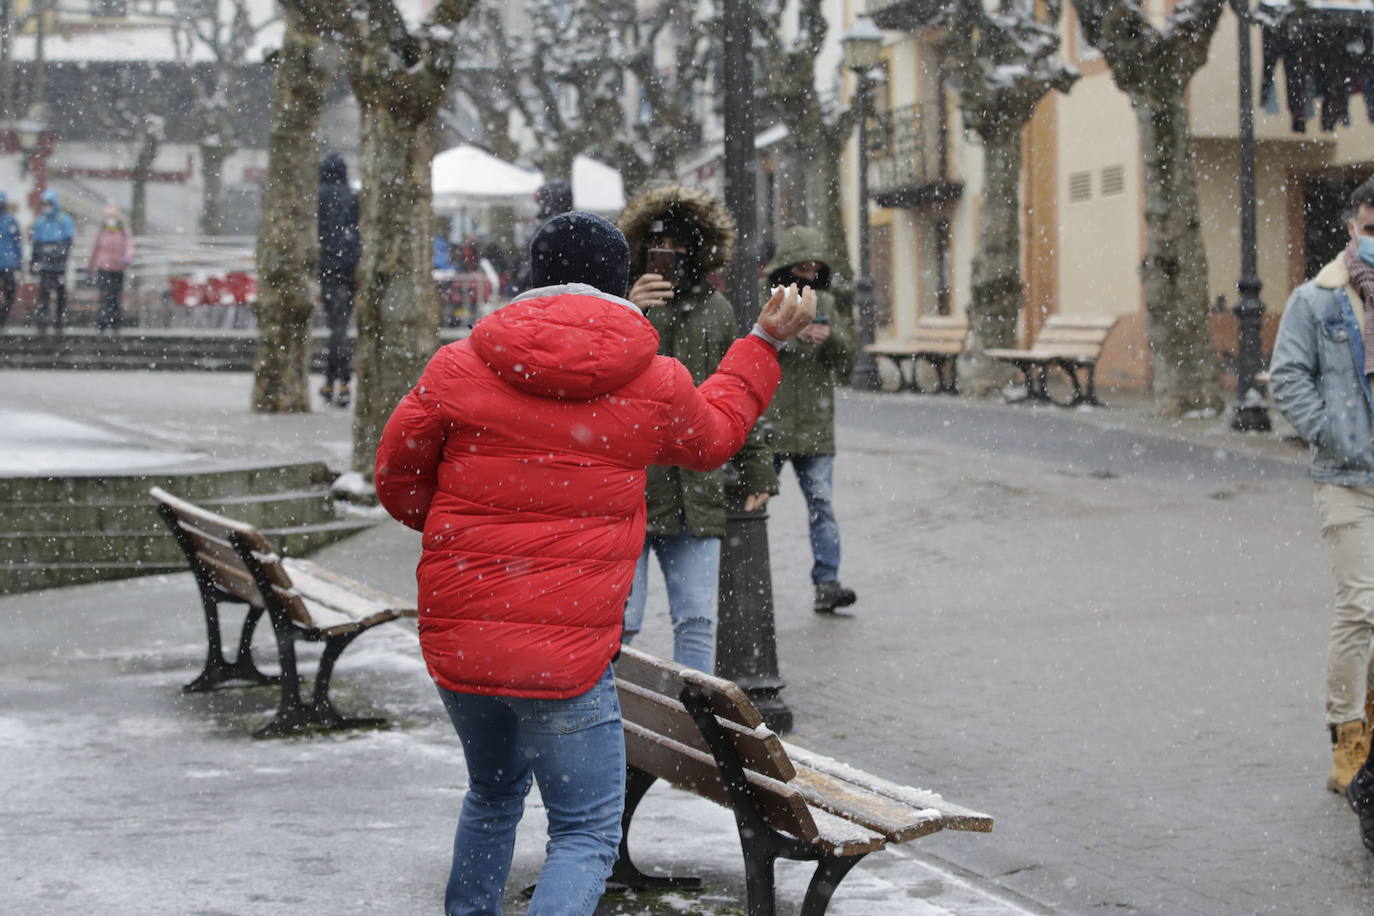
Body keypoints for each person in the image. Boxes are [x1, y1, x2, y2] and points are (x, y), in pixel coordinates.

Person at [374, 210, 814, 916]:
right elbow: (713, 439)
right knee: (583, 831)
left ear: (531, 276)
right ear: (619, 281)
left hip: (465, 635)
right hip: (567, 655)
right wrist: (762, 343)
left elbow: (397, 477)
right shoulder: (652, 381)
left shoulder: (458, 365)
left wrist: (471, 537)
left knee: (491, 793)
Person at [619, 184, 777, 673]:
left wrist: (757, 468)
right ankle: (608, 716)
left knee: (697, 620)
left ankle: (696, 714)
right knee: (620, 623)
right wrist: (630, 311)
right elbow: (598, 375)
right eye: (660, 245)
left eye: (680, 245)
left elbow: (737, 389)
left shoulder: (717, 310)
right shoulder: (618, 305)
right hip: (628, 491)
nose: (670, 255)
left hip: (695, 489)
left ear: (697, 250)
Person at [1271, 177, 1374, 811]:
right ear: (1353, 227)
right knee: (1362, 606)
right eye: (1371, 226)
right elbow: (1288, 377)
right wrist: (1335, 433)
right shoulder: (1318, 299)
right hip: (1347, 478)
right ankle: (1348, 737)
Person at [759, 226, 859, 614]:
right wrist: (787, 334)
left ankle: (827, 582)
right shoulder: (765, 299)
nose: (809, 274)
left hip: (815, 428)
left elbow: (847, 360)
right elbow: (751, 349)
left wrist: (828, 337)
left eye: (815, 268)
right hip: (772, 424)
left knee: (822, 505)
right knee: (753, 504)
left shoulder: (827, 302)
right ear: (786, 266)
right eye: (801, 268)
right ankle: (749, 580)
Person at [317, 153, 361, 407]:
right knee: (341, 327)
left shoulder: (317, 197)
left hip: (327, 268)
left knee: (337, 327)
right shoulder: (353, 196)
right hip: (350, 268)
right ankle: (339, 382)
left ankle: (336, 381)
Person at [29, 189, 75, 334]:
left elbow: (68, 241)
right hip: (45, 262)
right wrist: (34, 261)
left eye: (49, 203)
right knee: (44, 290)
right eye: (45, 204)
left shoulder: (64, 220)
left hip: (59, 263)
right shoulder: (41, 221)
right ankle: (43, 316)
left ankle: (60, 317)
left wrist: (59, 254)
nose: (47, 207)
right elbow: (36, 243)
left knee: (60, 291)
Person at [87, 205, 134, 333]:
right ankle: (103, 320)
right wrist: (90, 266)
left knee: (115, 295)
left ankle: (114, 321)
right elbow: (95, 249)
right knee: (104, 295)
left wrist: (127, 257)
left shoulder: (122, 232)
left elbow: (129, 246)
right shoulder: (102, 232)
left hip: (118, 268)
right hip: (103, 268)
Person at [0, 191, 22, 326]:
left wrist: (18, 260)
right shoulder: (11, 220)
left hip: (8, 263)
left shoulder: (10, 220)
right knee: (10, 292)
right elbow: (17, 242)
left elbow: (17, 242)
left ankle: (2, 317)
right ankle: (3, 317)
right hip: (8, 263)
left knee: (10, 292)